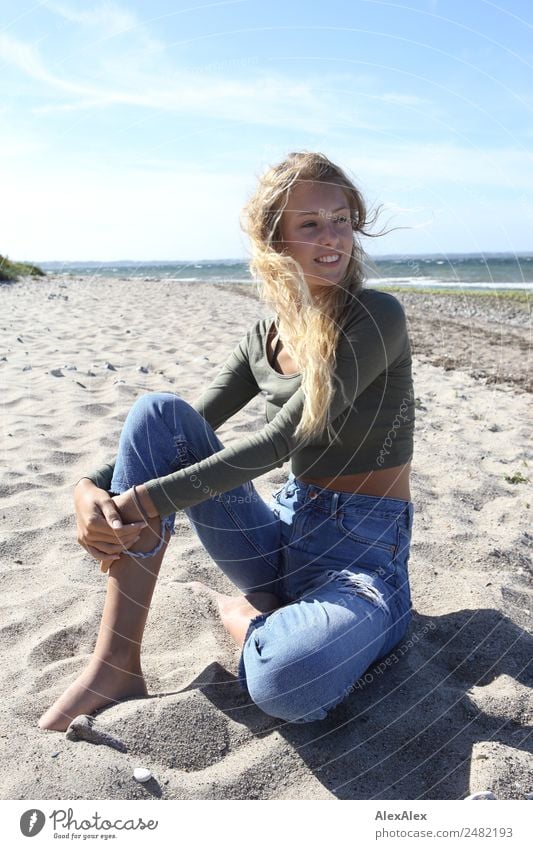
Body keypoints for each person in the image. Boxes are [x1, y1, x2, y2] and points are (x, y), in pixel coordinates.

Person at [39, 151, 415, 730]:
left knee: (289, 682)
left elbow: (282, 440)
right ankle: (115, 664)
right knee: (157, 413)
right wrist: (92, 485)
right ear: (276, 242)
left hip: (363, 560)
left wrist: (139, 502)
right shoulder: (264, 335)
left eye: (340, 218)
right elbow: (177, 429)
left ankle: (247, 617)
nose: (332, 237)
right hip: (282, 537)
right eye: (310, 224)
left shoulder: (375, 316)